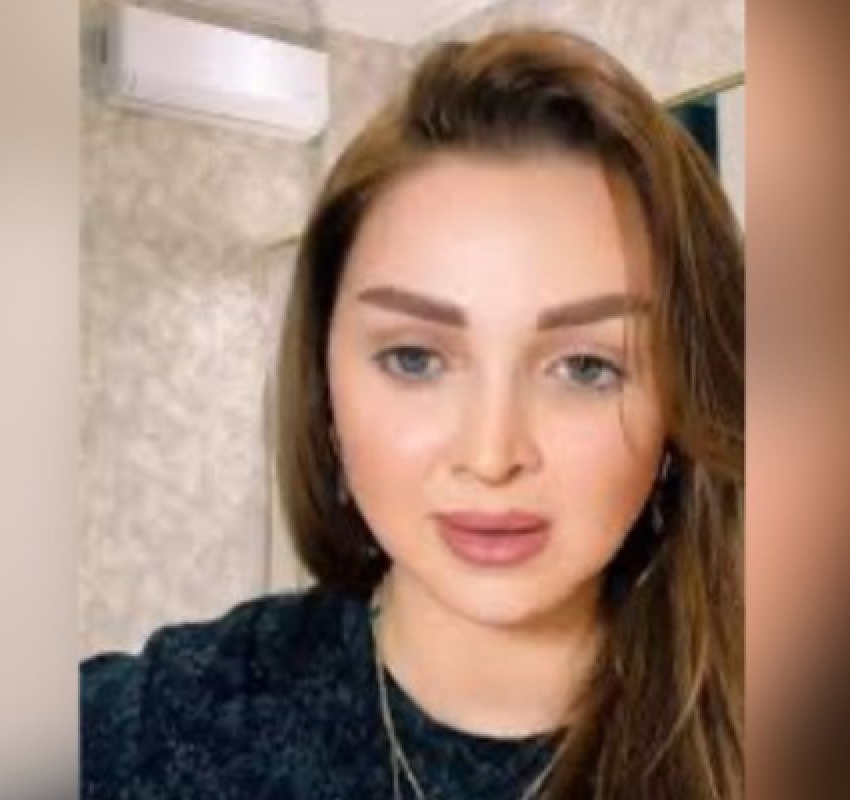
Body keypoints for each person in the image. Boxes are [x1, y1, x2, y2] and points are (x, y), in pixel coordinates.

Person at [82, 28, 743, 800]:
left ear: (681, 409)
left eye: (586, 367)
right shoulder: (160, 731)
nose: (491, 454)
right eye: (415, 359)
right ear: (325, 382)